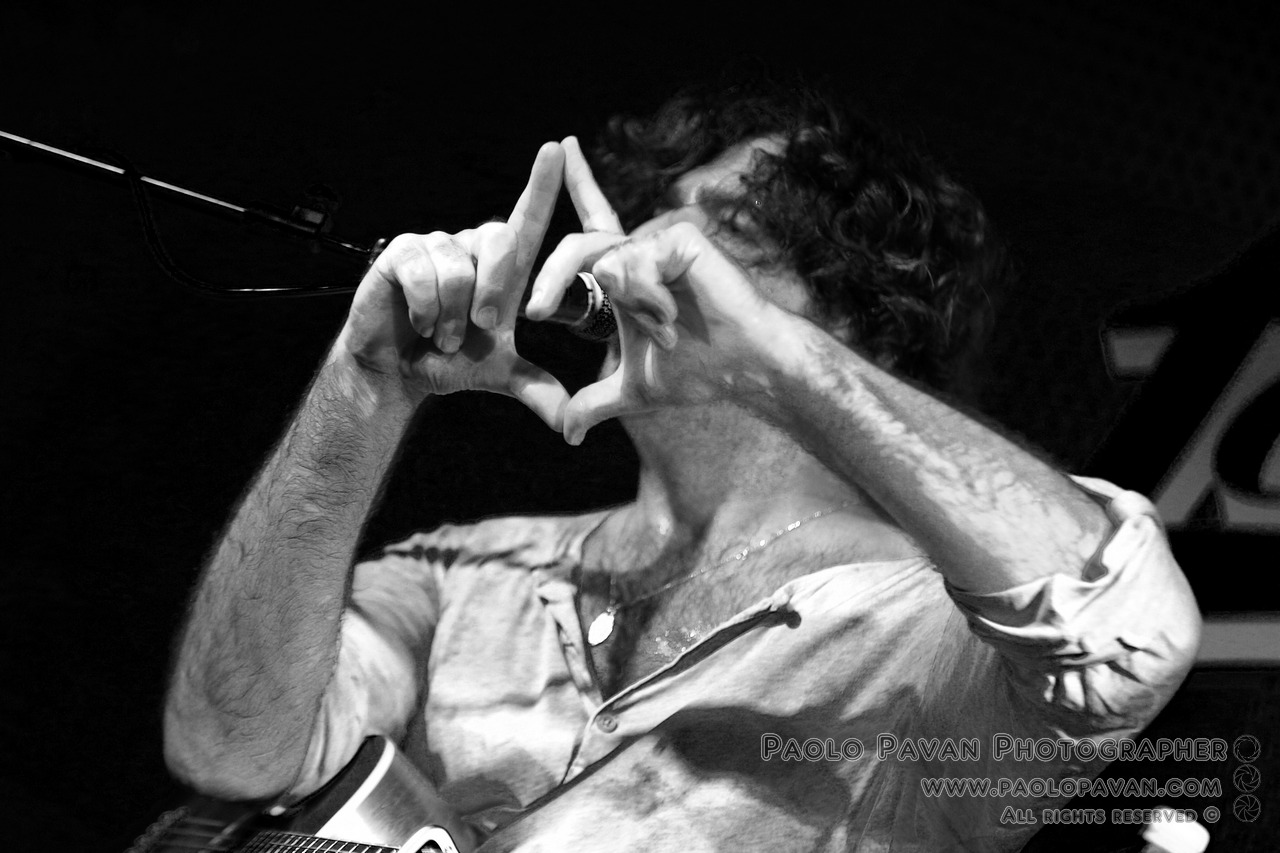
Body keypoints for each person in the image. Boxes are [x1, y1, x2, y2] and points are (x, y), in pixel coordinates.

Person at [162, 77, 1201, 851]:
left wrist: (776, 363)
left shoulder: (922, 636)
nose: (649, 256)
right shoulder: (466, 573)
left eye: (732, 237)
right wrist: (368, 380)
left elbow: (1130, 636)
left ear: (857, 322)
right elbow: (231, 750)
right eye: (662, 219)